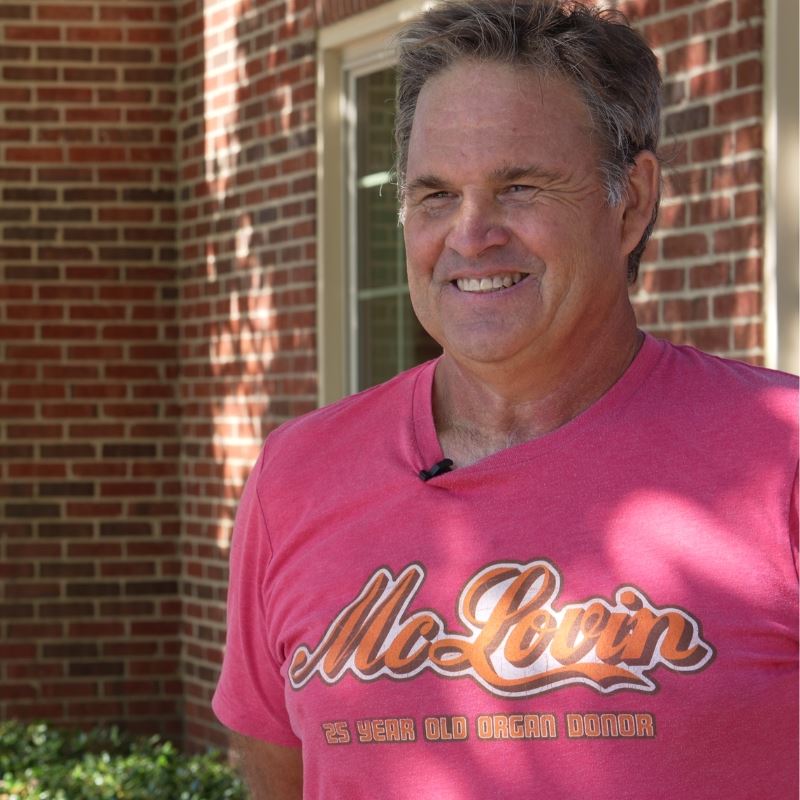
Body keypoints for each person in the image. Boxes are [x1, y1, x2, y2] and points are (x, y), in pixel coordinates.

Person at [212, 1, 799, 797]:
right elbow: (281, 769)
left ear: (631, 202)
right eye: (435, 195)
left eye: (520, 186)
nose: (472, 233)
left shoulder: (781, 457)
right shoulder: (296, 475)